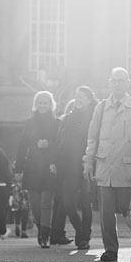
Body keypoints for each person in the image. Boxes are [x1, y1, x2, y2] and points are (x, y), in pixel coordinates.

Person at [84, 68, 131, 262]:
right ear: (110, 83)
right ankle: (111, 249)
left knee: (129, 211)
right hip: (105, 168)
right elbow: (92, 138)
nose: (117, 84)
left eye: (121, 80)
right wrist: (87, 163)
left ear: (128, 83)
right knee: (106, 214)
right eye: (114, 80)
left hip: (127, 170)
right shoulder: (101, 108)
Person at [14, 91, 60, 248]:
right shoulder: (29, 123)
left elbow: (61, 145)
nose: (42, 105)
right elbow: (22, 147)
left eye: (45, 102)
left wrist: (49, 144)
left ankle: (45, 235)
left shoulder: (57, 123)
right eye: (40, 102)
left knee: (46, 203)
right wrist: (17, 170)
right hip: (32, 167)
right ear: (36, 104)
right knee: (35, 205)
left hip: (49, 168)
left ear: (51, 104)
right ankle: (42, 229)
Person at [55, 86, 98, 250]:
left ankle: (84, 238)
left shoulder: (95, 117)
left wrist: (90, 161)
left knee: (86, 204)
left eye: (82, 97)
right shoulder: (68, 118)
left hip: (87, 164)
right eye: (76, 96)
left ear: (89, 99)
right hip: (68, 166)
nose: (78, 99)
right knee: (67, 203)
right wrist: (56, 161)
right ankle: (81, 230)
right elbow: (60, 141)